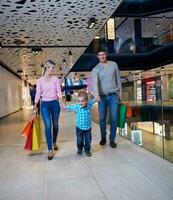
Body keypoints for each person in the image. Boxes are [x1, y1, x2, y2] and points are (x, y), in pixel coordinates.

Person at [92, 48, 122, 148]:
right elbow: (95, 83)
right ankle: (103, 137)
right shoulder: (95, 69)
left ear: (106, 55)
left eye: (103, 54)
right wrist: (96, 94)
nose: (102, 56)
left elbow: (118, 79)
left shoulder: (114, 65)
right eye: (100, 55)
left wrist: (120, 93)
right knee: (102, 118)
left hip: (113, 95)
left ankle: (112, 139)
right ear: (98, 57)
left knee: (114, 117)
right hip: (102, 97)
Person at [34, 60, 62, 160]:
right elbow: (38, 93)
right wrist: (35, 105)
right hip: (45, 105)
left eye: (54, 68)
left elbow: (59, 91)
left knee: (55, 125)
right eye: (52, 68)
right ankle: (50, 149)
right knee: (48, 126)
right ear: (47, 67)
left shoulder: (55, 79)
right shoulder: (40, 81)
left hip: (55, 104)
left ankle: (54, 141)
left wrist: (62, 102)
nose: (53, 70)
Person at [61, 90, 96, 157]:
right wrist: (64, 107)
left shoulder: (89, 105)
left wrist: (96, 97)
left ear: (87, 101)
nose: (80, 103)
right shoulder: (77, 106)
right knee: (79, 140)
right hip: (79, 127)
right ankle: (80, 149)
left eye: (82, 101)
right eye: (79, 101)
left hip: (88, 128)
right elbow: (69, 108)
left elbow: (94, 100)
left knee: (88, 140)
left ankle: (87, 150)